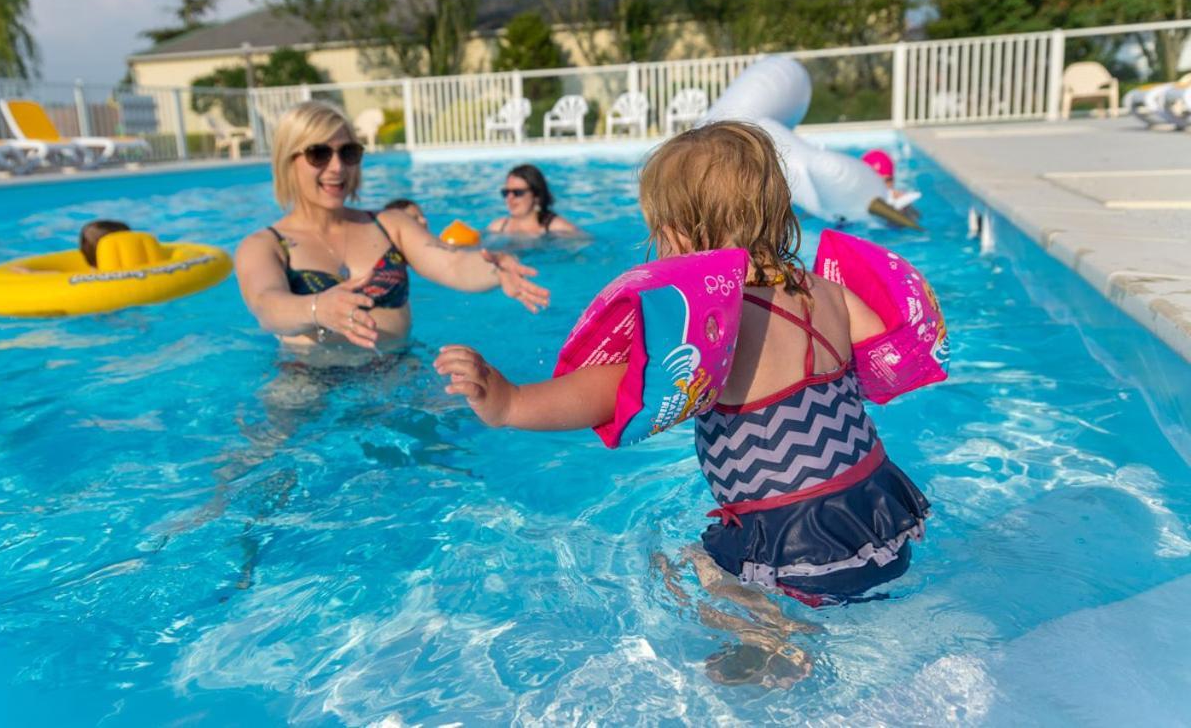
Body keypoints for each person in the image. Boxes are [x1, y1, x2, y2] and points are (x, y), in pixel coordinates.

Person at [436, 122, 930, 682]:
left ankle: (770, 637)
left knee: (683, 565)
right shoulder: (828, 292)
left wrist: (512, 403)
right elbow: (883, 358)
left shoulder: (719, 324)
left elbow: (613, 391)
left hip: (796, 551)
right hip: (878, 522)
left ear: (678, 234)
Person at [235, 101, 549, 359]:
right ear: (287, 161)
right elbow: (266, 305)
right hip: (308, 381)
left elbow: (453, 263)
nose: (337, 167)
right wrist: (317, 308)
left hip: (396, 371)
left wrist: (494, 270)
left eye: (348, 153)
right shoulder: (265, 245)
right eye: (319, 154)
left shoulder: (390, 225)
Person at [487, 164, 580, 236]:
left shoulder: (559, 228)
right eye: (506, 192)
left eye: (518, 192)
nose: (509, 198)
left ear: (537, 196)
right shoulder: (497, 228)